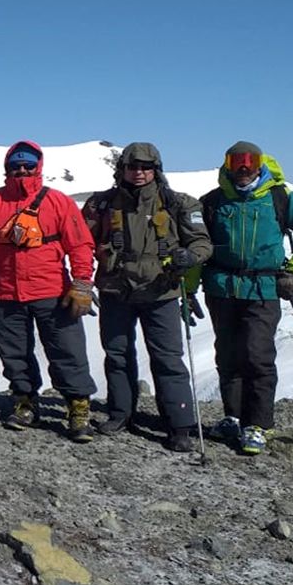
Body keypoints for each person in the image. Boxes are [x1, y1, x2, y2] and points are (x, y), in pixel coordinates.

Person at [0, 140, 98, 442]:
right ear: (7, 168)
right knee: (14, 353)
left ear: (38, 166)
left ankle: (78, 407)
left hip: (52, 290)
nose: (22, 170)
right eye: (16, 165)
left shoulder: (58, 202)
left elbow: (80, 244)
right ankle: (25, 402)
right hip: (4, 292)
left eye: (28, 165)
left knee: (67, 351)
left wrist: (82, 283)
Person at [195, 141, 293, 455]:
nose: (243, 167)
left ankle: (258, 424)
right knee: (227, 355)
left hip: (264, 289)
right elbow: (199, 247)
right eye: (236, 161)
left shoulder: (280, 198)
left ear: (260, 164)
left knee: (257, 354)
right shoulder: (212, 201)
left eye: (250, 161)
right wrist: (188, 289)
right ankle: (233, 417)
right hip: (222, 289)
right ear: (227, 164)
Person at [81, 143, 212, 452]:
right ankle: (120, 414)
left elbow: (202, 243)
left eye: (146, 167)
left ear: (156, 170)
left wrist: (189, 256)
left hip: (161, 290)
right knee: (117, 354)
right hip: (116, 289)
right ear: (122, 169)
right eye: (132, 166)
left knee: (167, 358)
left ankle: (179, 425)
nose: (138, 172)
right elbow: (81, 240)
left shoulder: (179, 204)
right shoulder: (100, 205)